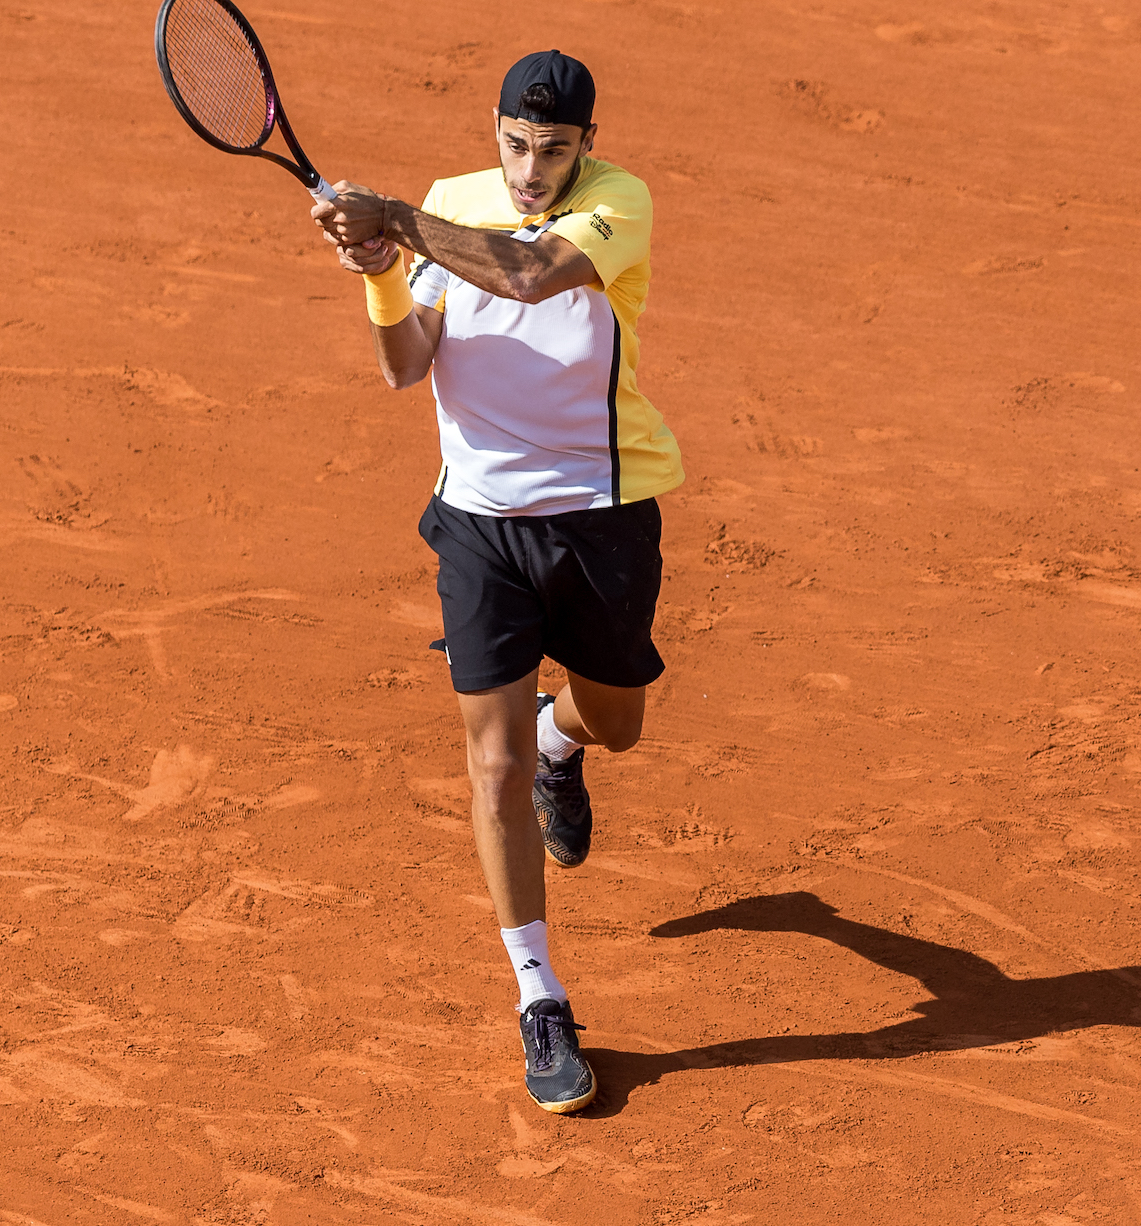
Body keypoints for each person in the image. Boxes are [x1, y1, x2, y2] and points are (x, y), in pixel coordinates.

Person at [310, 49, 682, 1114]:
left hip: (601, 516)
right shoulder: (447, 203)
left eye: (554, 148)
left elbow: (524, 273)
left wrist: (388, 215)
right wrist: (381, 264)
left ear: (586, 146)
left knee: (617, 721)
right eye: (515, 144)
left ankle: (567, 747)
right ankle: (538, 995)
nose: (530, 168)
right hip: (478, 524)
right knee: (491, 757)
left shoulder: (619, 204)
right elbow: (402, 363)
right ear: (494, 131)